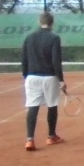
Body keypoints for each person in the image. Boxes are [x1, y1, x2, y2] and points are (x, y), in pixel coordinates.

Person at [21, 11, 67, 151]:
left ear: (39, 22)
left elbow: (24, 60)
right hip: (49, 77)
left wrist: (26, 76)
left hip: (32, 77)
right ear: (52, 23)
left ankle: (30, 140)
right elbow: (56, 61)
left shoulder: (29, 38)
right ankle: (51, 136)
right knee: (52, 105)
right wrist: (61, 80)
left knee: (32, 107)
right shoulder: (54, 38)